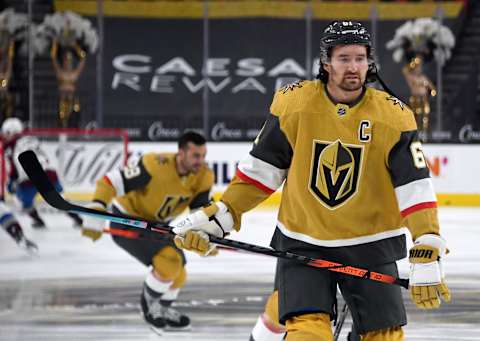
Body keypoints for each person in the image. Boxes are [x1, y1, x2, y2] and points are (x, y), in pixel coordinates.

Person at [172, 21, 450, 341]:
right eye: (344, 58)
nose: (353, 67)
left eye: (360, 58)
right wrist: (223, 214)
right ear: (326, 62)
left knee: (384, 336)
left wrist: (427, 239)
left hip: (372, 245)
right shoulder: (296, 105)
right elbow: (261, 170)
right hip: (304, 242)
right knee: (306, 335)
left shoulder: (393, 116)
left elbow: (414, 186)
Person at [81, 131, 214, 333]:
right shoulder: (154, 165)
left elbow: (199, 211)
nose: (201, 161)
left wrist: (206, 234)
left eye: (203, 155)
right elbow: (110, 181)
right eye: (196, 156)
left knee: (180, 274)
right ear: (181, 153)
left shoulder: (204, 176)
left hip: (157, 227)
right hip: (128, 220)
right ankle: (149, 308)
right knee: (169, 262)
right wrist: (98, 206)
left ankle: (161, 309)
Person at [1, 117, 83, 228]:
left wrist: (13, 180)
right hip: (48, 174)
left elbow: (15, 165)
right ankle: (77, 218)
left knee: (23, 203)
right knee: (59, 201)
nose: (5, 136)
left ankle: (38, 220)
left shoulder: (11, 146)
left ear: (13, 132)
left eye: (6, 133)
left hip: (30, 180)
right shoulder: (29, 140)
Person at [402, 56, 436, 138]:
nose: (418, 69)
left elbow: (433, 90)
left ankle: (424, 133)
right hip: (415, 99)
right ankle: (415, 134)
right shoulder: (411, 77)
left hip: (424, 99)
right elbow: (404, 70)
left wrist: (429, 90)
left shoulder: (424, 78)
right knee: (415, 116)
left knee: (425, 115)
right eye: (417, 67)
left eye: (419, 67)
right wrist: (413, 63)